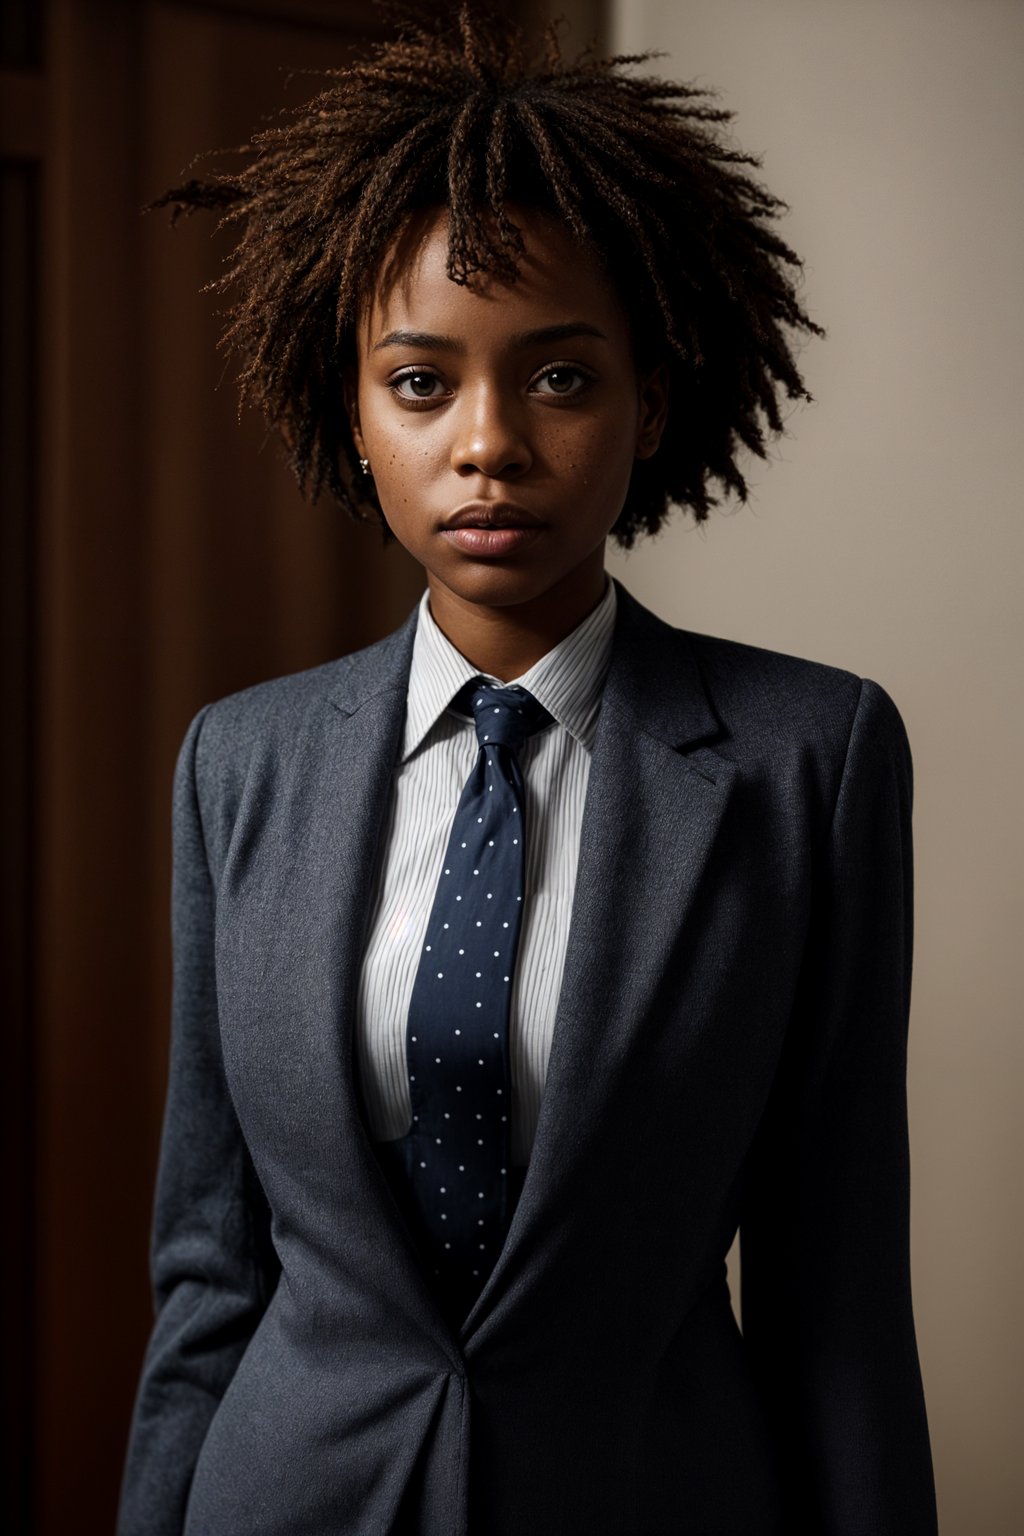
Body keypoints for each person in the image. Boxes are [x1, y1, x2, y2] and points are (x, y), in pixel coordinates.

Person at [117, 5, 938, 1532]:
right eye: (421, 383)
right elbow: (209, 1272)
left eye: (559, 379)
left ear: (654, 397)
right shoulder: (241, 763)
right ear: (351, 412)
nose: (486, 444)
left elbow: (838, 1295)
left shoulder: (806, 761)